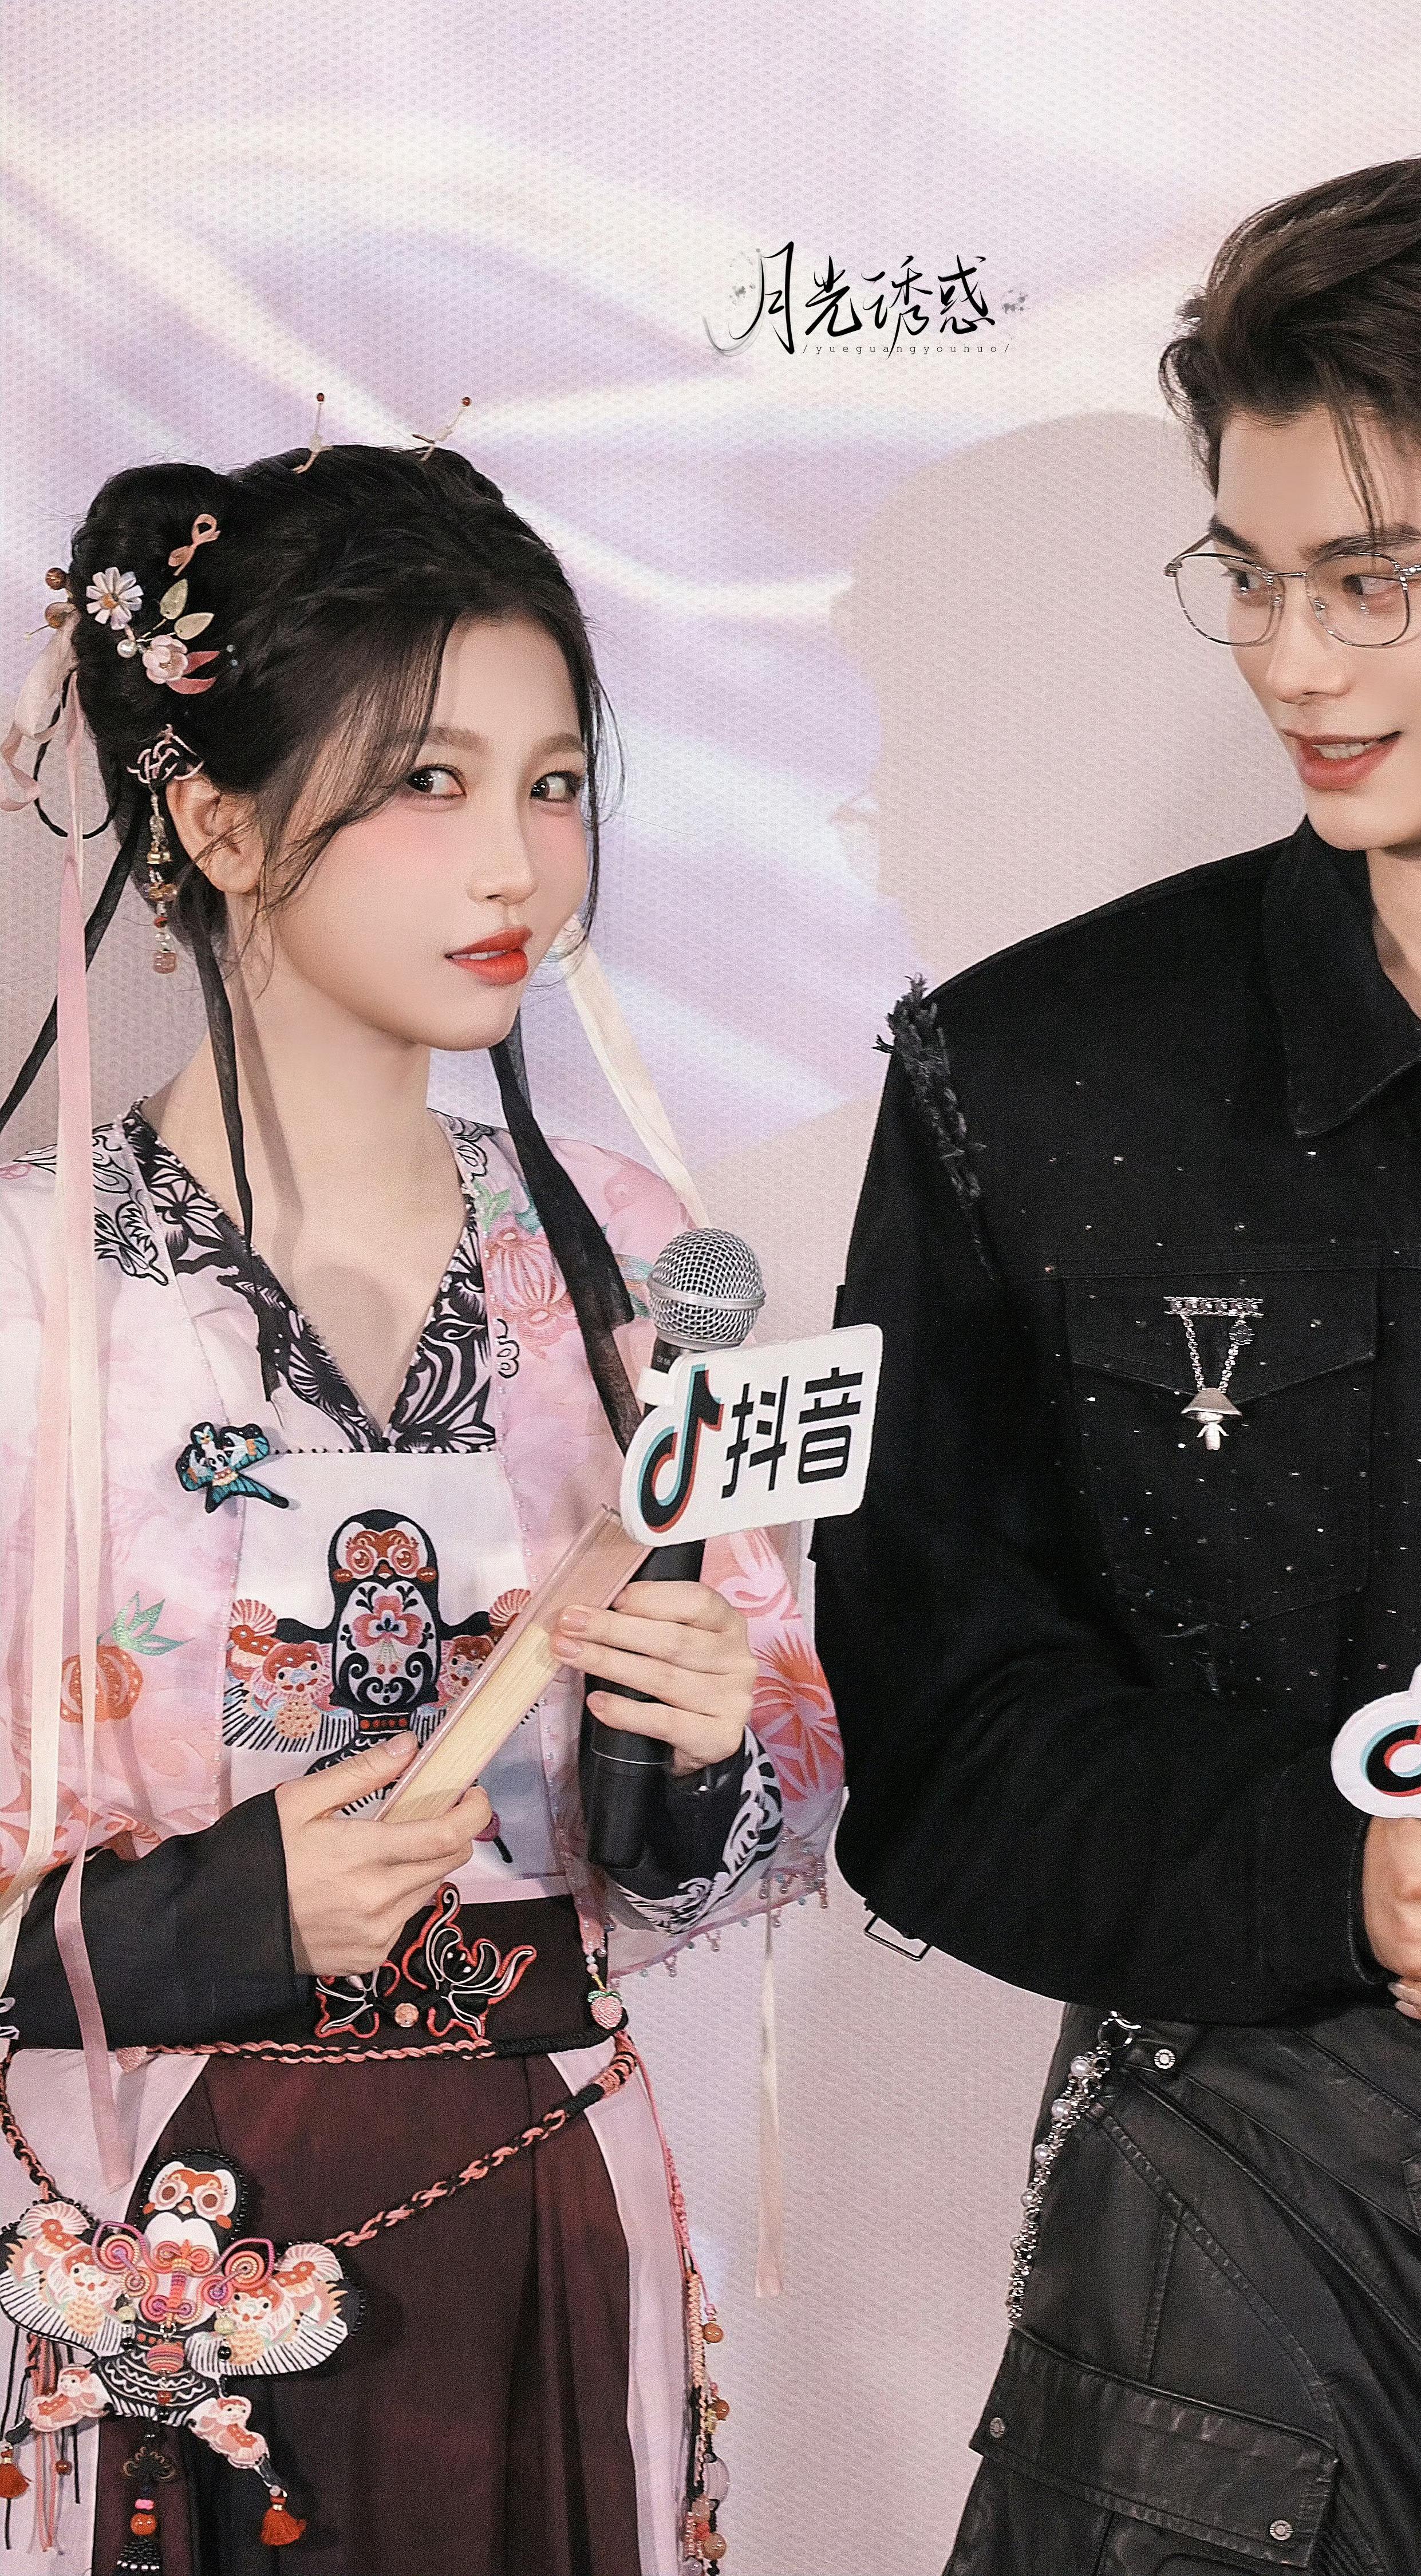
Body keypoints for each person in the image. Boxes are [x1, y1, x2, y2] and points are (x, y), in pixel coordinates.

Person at [814, 155, 1421, 2576]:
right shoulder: (1039, 1073)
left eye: (1372, 578)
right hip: (1213, 2331)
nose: (1292, 663)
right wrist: (1334, 1863)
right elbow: (939, 1730)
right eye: (1251, 573)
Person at [0, 438, 840, 2576]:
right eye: (427, 783)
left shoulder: (628, 1253)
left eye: (553, 785)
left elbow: (773, 1782)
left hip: (537, 2172)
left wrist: (686, 1737)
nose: (515, 863)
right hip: (147, 2212)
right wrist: (215, 1914)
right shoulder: (32, 1295)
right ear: (213, 820)